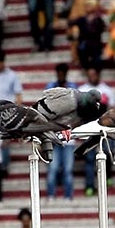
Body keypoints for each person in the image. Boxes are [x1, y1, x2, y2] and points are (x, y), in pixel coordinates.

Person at [79, 67, 115, 196]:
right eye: (90, 74)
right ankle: (90, 185)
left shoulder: (107, 90)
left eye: (94, 74)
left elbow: (112, 110)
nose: (92, 76)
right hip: (89, 128)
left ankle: (107, 177)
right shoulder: (82, 90)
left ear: (98, 74)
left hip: (104, 128)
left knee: (107, 152)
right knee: (89, 158)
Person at [45, 64, 78, 200]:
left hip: (68, 136)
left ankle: (68, 196)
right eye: (59, 73)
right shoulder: (50, 88)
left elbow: (77, 110)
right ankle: (51, 195)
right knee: (52, 169)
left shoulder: (73, 89)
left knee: (68, 170)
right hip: (54, 135)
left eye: (62, 73)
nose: (60, 76)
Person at [69, 0, 106, 70]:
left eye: (89, 5)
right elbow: (71, 23)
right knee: (82, 52)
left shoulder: (98, 19)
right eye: (86, 5)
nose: (87, 7)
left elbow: (102, 29)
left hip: (95, 43)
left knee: (97, 61)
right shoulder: (82, 19)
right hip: (84, 43)